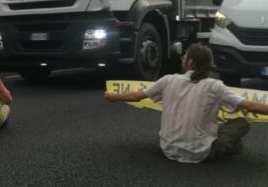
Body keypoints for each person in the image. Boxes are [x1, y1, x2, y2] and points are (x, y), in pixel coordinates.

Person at [105, 44, 268, 163]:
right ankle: (231, 147)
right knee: (241, 124)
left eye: (184, 57)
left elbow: (136, 96)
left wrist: (113, 96)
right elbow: (250, 106)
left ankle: (228, 146)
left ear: (189, 62)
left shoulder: (168, 80)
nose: (182, 59)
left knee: (223, 131)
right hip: (201, 152)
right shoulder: (215, 86)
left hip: (168, 149)